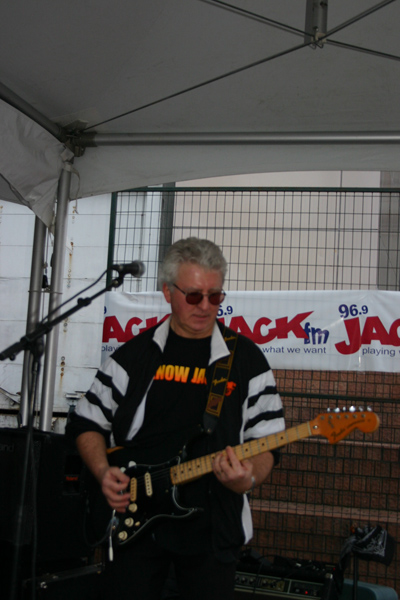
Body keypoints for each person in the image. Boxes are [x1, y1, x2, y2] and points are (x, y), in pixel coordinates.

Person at [66, 237, 285, 600]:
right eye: (194, 295)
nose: (205, 306)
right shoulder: (134, 355)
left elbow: (269, 439)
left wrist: (247, 478)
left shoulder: (246, 360)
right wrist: (104, 472)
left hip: (214, 533)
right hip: (135, 526)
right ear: (167, 292)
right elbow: (87, 422)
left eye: (215, 296)